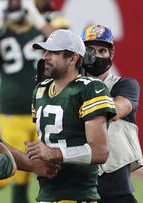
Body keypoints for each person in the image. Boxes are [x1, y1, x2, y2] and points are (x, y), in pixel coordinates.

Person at [22, 29, 116, 202]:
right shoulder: (40, 90)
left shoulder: (90, 89)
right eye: (45, 51)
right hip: (46, 195)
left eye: (54, 52)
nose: (45, 57)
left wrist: (55, 153)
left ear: (73, 58)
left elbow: (100, 152)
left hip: (77, 195)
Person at [0, 0, 55, 201]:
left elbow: (62, 43)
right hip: (12, 109)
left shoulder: (41, 27)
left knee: (52, 165)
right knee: (18, 172)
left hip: (44, 107)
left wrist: (37, 19)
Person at [81, 24, 143, 203]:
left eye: (102, 50)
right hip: (78, 179)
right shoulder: (72, 86)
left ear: (111, 54)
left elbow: (116, 110)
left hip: (115, 182)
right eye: (90, 50)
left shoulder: (126, 85)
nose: (97, 56)